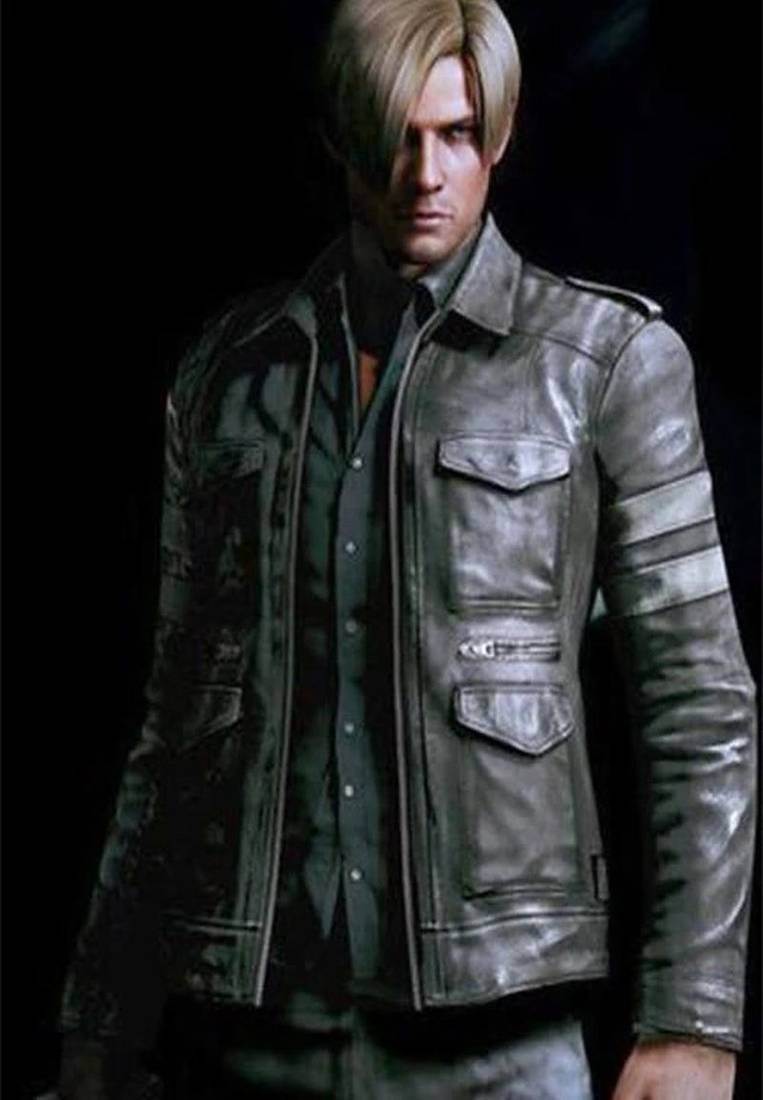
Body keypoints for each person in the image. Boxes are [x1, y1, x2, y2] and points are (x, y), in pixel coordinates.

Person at [57, 0, 757, 1096]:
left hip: (501, 1040)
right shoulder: (229, 375)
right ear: (341, 134)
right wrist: (101, 1017)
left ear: (499, 135)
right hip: (247, 1034)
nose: (424, 174)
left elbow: (699, 704)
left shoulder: (606, 364)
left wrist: (691, 1018)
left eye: (457, 134)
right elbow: (176, 719)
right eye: (395, 135)